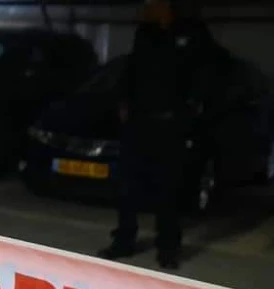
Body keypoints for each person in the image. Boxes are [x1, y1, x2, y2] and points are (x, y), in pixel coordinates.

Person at [97, 0, 229, 270]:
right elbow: (132, 69)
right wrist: (123, 101)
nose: (145, 9)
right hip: (139, 124)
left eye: (151, 4)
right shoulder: (145, 33)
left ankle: (168, 248)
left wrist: (192, 107)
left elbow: (210, 71)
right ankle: (124, 240)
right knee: (127, 188)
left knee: (168, 189)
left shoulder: (193, 32)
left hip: (170, 127)